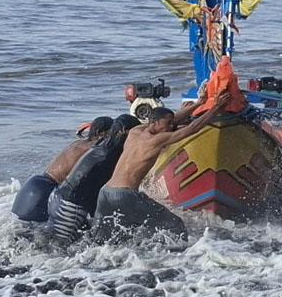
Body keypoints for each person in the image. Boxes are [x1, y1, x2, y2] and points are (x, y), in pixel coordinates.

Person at [92, 93, 230, 240]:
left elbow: (174, 118)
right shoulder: (157, 140)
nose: (171, 127)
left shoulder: (134, 132)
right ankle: (176, 259)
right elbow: (193, 128)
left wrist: (199, 103)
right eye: (168, 124)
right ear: (154, 122)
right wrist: (215, 108)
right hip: (125, 195)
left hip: (105, 193)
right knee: (175, 226)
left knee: (105, 239)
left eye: (172, 124)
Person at [48, 114, 141, 243]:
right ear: (123, 130)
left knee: (69, 243)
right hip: (70, 206)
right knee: (58, 249)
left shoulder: (102, 144)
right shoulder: (115, 152)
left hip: (59, 196)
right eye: (136, 132)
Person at [12, 116, 112, 222]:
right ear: (100, 133)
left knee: (21, 230)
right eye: (111, 133)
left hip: (33, 185)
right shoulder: (94, 148)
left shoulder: (78, 143)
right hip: (47, 191)